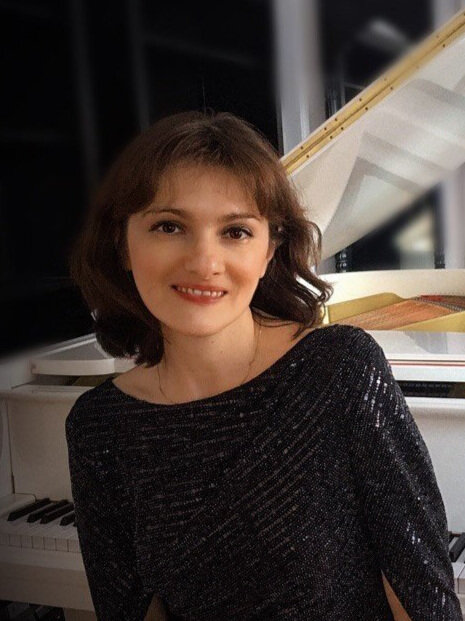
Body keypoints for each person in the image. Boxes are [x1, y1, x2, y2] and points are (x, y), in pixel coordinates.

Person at [65, 110, 461, 621]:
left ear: (270, 249)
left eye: (235, 232)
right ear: (122, 242)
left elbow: (423, 601)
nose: (204, 262)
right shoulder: (98, 426)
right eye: (169, 226)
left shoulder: (339, 370)